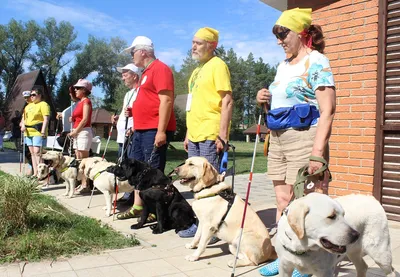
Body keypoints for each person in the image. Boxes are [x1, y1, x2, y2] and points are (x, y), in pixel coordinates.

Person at [256, 8, 336, 277]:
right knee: (282, 201)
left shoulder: (317, 61)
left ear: (301, 33)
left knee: (302, 201)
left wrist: (317, 152)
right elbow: (283, 101)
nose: (279, 41)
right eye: (276, 35)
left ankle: (308, 262)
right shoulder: (283, 65)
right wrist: (264, 98)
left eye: (282, 33)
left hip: (304, 136)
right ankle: (286, 257)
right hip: (278, 137)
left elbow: (327, 110)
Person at [179, 27, 233, 239]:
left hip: (211, 133)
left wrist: (222, 134)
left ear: (212, 46)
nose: (193, 46)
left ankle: (210, 228)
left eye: (199, 43)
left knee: (210, 182)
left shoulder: (218, 65)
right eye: (193, 42)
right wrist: (187, 133)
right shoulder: (196, 71)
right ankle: (201, 223)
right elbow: (193, 105)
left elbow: (227, 101)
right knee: (195, 182)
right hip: (194, 134)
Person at [116, 36, 176, 220]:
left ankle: (155, 210)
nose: (132, 56)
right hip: (141, 130)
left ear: (143, 51)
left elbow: (166, 100)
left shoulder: (160, 69)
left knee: (152, 171)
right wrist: (135, 113)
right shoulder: (145, 73)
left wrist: (161, 131)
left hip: (153, 130)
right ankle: (138, 206)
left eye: (133, 52)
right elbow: (149, 101)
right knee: (138, 171)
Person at [113, 63, 141, 204]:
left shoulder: (140, 91)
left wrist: (135, 126)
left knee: (130, 165)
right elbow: (127, 112)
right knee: (123, 164)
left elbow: (141, 112)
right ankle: (126, 192)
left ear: (134, 75)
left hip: (131, 133)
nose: (123, 78)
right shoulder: (128, 94)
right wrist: (119, 117)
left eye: (125, 75)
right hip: (122, 134)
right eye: (122, 75)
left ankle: (131, 195)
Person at [69, 79, 93, 193]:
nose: (75, 90)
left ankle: (86, 184)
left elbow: (85, 119)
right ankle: (82, 183)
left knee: (84, 160)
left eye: (78, 88)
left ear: (84, 90)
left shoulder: (86, 101)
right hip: (78, 132)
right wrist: (72, 119)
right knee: (78, 159)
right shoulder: (79, 102)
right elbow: (78, 118)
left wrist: (75, 131)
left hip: (83, 132)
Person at [20, 86, 50, 177]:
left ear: (40, 95)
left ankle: (43, 175)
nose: (31, 96)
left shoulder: (43, 104)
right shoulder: (28, 106)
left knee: (38, 153)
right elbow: (23, 118)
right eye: (31, 95)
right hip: (28, 132)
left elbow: (46, 119)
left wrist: (43, 131)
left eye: (34, 94)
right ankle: (36, 173)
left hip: (38, 131)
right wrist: (23, 125)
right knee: (32, 153)